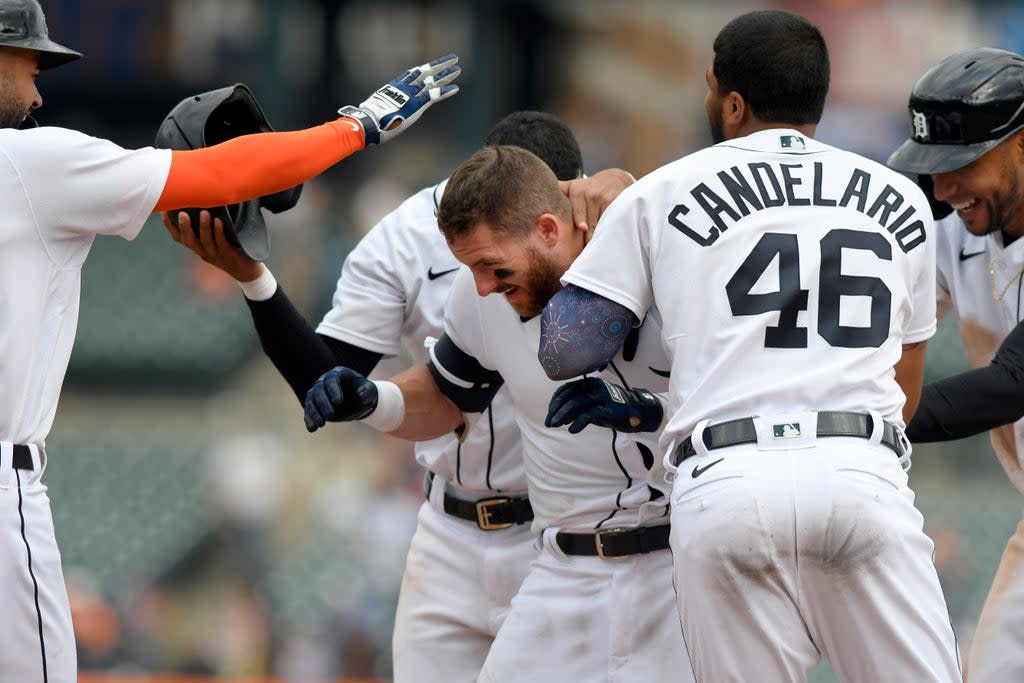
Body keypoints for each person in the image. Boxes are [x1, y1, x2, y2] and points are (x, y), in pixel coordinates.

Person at [0, 1, 460, 679]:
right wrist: (356, 125)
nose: (38, 90)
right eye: (28, 64)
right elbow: (222, 175)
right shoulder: (24, 162)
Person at [537, 9, 961, 682]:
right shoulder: (901, 199)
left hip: (727, 482)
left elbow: (566, 348)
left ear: (732, 102)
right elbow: (903, 393)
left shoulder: (662, 191)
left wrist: (598, 234)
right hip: (860, 471)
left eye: (711, 89)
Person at [165, 110, 588, 683]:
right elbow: (338, 384)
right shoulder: (413, 238)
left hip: (568, 535)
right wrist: (253, 277)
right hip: (451, 528)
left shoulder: (607, 221)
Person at [302, 144, 693, 682]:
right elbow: (446, 395)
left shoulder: (663, 257)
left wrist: (645, 412)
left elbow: (737, 401)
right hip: (561, 571)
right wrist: (374, 399)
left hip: (674, 566)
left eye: (491, 265)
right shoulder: (480, 295)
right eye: (472, 268)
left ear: (549, 230)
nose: (483, 284)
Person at [888, 46, 1024, 683]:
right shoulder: (956, 231)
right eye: (932, 170)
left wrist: (868, 424)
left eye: (961, 164)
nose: (942, 190)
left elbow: (1012, 383)